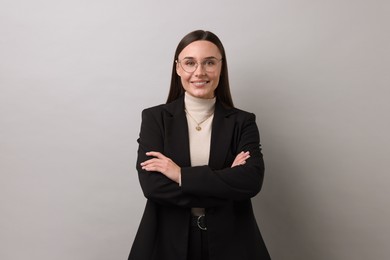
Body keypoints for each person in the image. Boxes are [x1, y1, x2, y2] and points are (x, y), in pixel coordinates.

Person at [128, 30, 270, 260]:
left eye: (209, 62)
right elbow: (153, 187)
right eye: (190, 63)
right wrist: (225, 180)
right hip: (167, 243)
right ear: (177, 68)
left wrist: (179, 174)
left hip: (232, 243)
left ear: (221, 67)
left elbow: (251, 182)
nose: (199, 72)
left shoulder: (242, 122)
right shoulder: (155, 119)